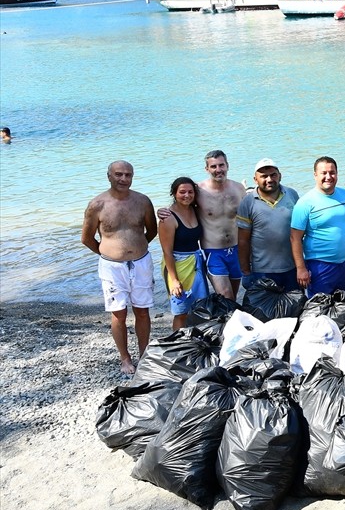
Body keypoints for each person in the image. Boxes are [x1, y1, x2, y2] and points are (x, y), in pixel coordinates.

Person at [81, 161, 157, 375]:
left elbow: (152, 230)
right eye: (118, 174)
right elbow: (86, 238)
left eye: (128, 175)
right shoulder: (97, 204)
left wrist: (136, 248)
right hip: (112, 267)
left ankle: (144, 355)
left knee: (143, 311)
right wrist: (108, 254)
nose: (123, 179)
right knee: (119, 313)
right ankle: (125, 358)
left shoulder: (142, 201)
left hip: (141, 263)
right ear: (109, 176)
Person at [290, 156, 345, 297]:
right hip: (319, 266)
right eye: (324, 173)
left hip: (344, 263)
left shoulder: (344, 194)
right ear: (315, 175)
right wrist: (301, 268)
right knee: (320, 307)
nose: (328, 177)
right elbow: (295, 238)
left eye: (332, 172)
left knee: (343, 304)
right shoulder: (305, 203)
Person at [236, 158, 301, 291]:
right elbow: (243, 241)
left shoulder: (292, 194)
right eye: (264, 176)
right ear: (255, 179)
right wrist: (246, 271)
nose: (269, 179)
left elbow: (301, 231)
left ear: (280, 176)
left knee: (297, 304)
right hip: (262, 271)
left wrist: (302, 266)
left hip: (292, 267)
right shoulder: (247, 202)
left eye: (273, 175)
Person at [196, 150, 247, 300]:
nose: (218, 170)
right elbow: (180, 206)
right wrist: (164, 212)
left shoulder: (239, 188)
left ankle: (228, 315)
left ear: (227, 165)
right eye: (213, 166)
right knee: (225, 295)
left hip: (237, 249)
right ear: (207, 169)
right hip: (213, 251)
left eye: (221, 165)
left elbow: (249, 217)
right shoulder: (198, 191)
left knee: (233, 298)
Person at [159, 177, 208, 330]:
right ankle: (178, 340)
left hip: (196, 263)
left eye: (190, 192)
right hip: (177, 265)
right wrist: (174, 280)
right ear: (174, 193)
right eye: (182, 192)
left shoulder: (195, 210)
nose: (186, 195)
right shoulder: (168, 218)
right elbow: (167, 252)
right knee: (181, 311)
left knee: (199, 306)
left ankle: (194, 339)